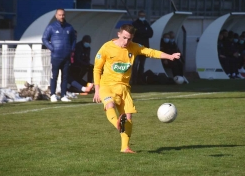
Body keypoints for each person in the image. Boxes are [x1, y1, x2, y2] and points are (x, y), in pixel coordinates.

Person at [92, 24, 181, 153]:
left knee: (128, 118)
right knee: (109, 104)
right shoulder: (106, 47)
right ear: (119, 34)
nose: (126, 41)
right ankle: (116, 123)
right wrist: (97, 89)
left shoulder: (133, 47)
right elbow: (97, 68)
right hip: (107, 86)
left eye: (129, 39)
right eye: (124, 38)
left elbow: (150, 52)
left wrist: (169, 56)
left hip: (124, 88)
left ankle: (125, 147)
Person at [42, 8, 76, 102]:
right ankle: (52, 94)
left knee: (65, 77)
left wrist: (71, 49)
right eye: (60, 15)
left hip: (66, 56)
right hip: (56, 56)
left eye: (63, 15)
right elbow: (44, 39)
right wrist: (52, 48)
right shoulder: (51, 27)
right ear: (56, 16)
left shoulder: (69, 27)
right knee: (54, 76)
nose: (62, 16)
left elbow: (73, 39)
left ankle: (63, 95)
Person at [131, 10, 153, 85]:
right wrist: (144, 32)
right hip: (137, 46)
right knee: (135, 64)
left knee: (142, 65)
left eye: (143, 16)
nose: (142, 17)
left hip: (144, 47)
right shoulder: (135, 24)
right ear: (138, 16)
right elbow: (136, 33)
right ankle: (133, 80)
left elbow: (150, 33)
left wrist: (142, 32)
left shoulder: (146, 23)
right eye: (141, 16)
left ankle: (140, 80)